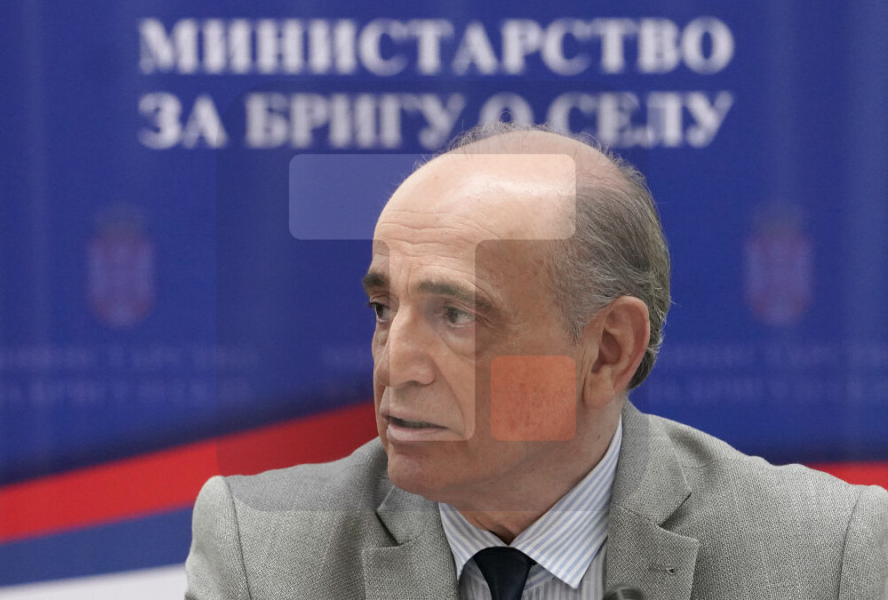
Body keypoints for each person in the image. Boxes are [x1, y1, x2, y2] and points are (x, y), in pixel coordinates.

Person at [184, 124, 888, 599]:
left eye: (456, 316)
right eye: (383, 309)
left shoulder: (826, 554)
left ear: (608, 351)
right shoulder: (263, 551)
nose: (396, 365)